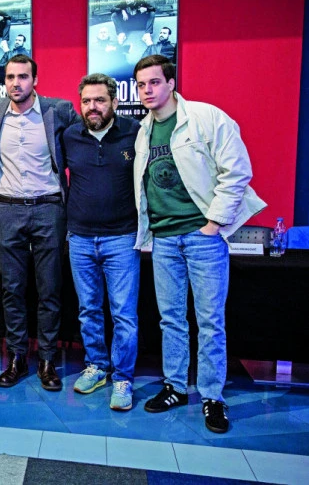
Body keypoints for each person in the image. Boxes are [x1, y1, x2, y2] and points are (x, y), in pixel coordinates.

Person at [133, 55, 266, 433]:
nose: (147, 90)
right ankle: (175, 386)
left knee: (210, 321)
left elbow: (236, 170)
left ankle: (212, 396)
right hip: (164, 239)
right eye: (141, 85)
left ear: (171, 83)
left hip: (202, 237)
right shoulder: (143, 131)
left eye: (154, 82)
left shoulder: (206, 118)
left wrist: (214, 224)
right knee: (171, 319)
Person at [0, 55, 78, 391]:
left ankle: (47, 360)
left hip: (49, 209)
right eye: (10, 77)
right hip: (7, 210)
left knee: (50, 289)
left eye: (22, 76)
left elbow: (87, 136)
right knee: (12, 289)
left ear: (35, 80)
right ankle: (18, 358)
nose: (15, 83)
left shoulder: (57, 110)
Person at [63, 73, 141, 410]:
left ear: (115, 102)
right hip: (79, 238)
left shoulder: (135, 132)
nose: (92, 107)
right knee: (88, 310)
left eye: (99, 100)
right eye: (86, 101)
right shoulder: (70, 136)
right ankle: (96, 366)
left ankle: (123, 378)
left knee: (124, 314)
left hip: (122, 238)